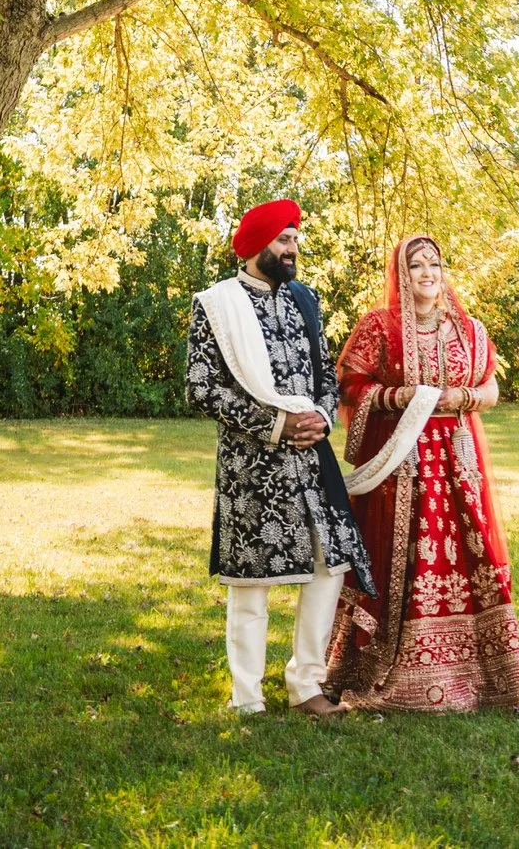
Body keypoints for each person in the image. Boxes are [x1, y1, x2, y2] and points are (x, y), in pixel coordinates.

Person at [324, 233, 519, 713]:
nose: (427, 274)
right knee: (392, 553)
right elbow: (350, 384)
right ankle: (375, 666)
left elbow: (490, 386)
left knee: (470, 549)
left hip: (458, 460)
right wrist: (401, 398)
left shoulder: (467, 328)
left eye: (434, 266)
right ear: (402, 273)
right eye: (417, 266)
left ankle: (483, 676)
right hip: (400, 458)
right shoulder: (379, 328)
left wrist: (460, 399)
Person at [186, 198, 374, 717]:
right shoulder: (216, 305)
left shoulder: (305, 300)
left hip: (312, 459)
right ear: (256, 246)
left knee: (328, 566)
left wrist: (318, 417)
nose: (294, 249)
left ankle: (306, 684)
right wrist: (275, 425)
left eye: (295, 239)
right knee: (251, 582)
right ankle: (247, 697)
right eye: (285, 239)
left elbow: (324, 374)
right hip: (252, 464)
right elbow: (201, 388)